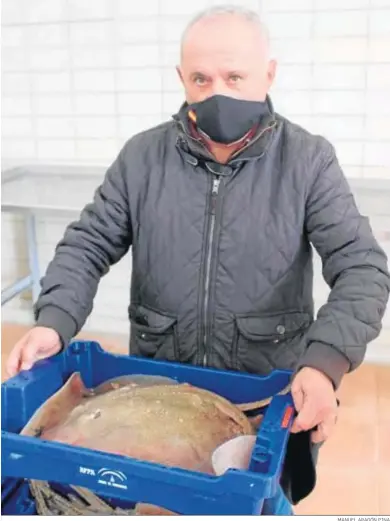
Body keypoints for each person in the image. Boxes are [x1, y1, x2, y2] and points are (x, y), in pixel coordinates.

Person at [6, 4, 390, 508]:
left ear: (268, 74)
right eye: (201, 78)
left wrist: (324, 363)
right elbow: (88, 243)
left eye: (235, 75)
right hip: (157, 394)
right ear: (181, 78)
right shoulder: (142, 158)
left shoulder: (308, 161)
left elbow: (363, 268)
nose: (218, 93)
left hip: (263, 394)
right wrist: (52, 322)